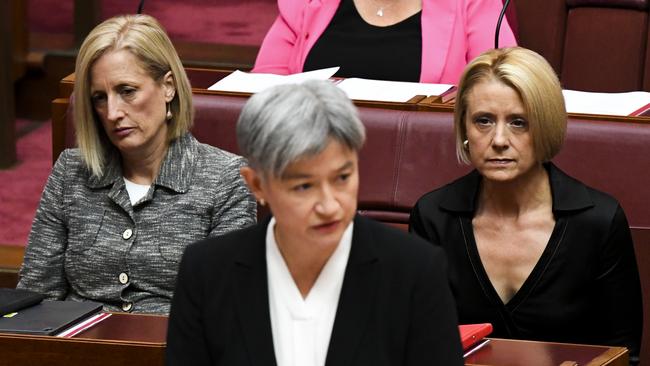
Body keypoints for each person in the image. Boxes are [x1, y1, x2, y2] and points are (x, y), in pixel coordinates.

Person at [166, 80, 463, 366]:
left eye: (342, 178)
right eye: (304, 186)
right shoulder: (206, 272)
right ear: (257, 185)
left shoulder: (415, 272)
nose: (329, 206)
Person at [409, 47, 643, 364]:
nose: (500, 139)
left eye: (519, 122)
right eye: (483, 121)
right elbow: (416, 343)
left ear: (545, 126)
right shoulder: (433, 217)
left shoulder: (598, 221)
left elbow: (624, 355)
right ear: (464, 128)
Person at [17, 14, 256, 314]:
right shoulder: (71, 172)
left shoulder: (226, 179)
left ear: (168, 87)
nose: (113, 112)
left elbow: (225, 310)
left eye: (127, 91)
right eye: (99, 98)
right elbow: (34, 298)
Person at [252, 0, 517, 83]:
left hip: (422, 163)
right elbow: (261, 90)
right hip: (306, 163)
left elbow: (505, 83)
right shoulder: (308, 3)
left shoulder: (472, 3)